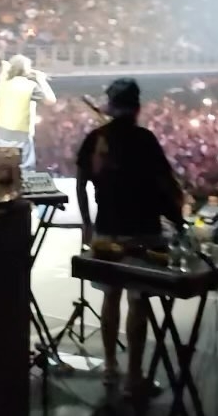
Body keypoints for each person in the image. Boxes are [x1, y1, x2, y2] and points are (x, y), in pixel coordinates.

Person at [76, 78, 182, 398]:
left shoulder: (95, 139)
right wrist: (179, 221)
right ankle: (134, 376)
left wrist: (86, 225)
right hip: (143, 231)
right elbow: (165, 185)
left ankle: (110, 367)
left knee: (110, 297)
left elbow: (81, 184)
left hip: (106, 228)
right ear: (137, 108)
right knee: (138, 300)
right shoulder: (145, 139)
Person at [0, 55, 56, 172]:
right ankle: (25, 186)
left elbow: (6, 65)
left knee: (5, 163)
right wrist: (40, 79)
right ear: (25, 69)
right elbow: (50, 100)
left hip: (3, 131)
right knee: (24, 167)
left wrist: (26, 70)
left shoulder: (3, 81)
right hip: (21, 131)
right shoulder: (30, 86)